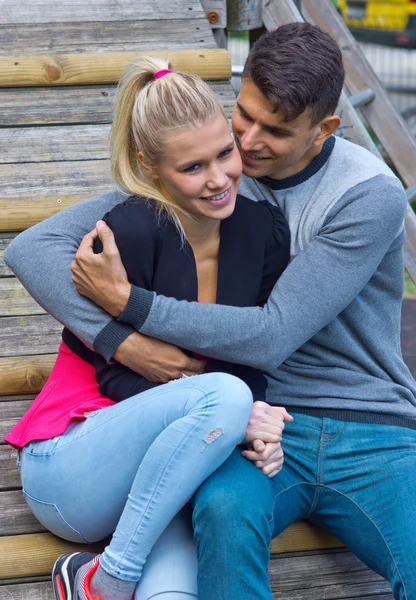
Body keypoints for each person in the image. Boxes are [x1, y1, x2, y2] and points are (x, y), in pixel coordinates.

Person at [5, 21, 416, 600]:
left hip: (367, 426)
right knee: (222, 515)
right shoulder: (214, 173)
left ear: (324, 129)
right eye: (243, 116)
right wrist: (118, 339)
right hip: (252, 422)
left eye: (274, 130)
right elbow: (34, 248)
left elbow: (271, 336)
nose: (246, 145)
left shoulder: (366, 193)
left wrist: (131, 305)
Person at [4, 57, 292, 600]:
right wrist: (235, 409)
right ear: (151, 166)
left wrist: (259, 427)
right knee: (228, 396)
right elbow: (117, 376)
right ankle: (105, 581)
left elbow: (252, 355)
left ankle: (88, 579)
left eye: (224, 153)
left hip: (165, 478)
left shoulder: (264, 231)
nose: (218, 179)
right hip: (72, 464)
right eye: (192, 168)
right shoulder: (127, 231)